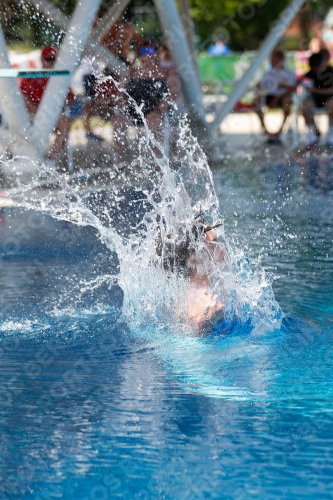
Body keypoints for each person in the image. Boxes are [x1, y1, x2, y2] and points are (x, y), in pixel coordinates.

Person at [156, 217, 229, 334]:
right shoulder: (209, 305)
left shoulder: (180, 295)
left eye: (218, 241)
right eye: (211, 245)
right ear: (193, 260)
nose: (221, 248)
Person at [112, 39, 171, 166]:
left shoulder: (165, 73)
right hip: (133, 111)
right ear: (140, 54)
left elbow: (173, 92)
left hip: (155, 111)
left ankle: (157, 162)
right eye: (144, 51)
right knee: (118, 121)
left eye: (151, 50)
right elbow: (119, 93)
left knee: (153, 122)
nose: (148, 54)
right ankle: (119, 161)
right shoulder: (132, 73)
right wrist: (123, 106)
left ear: (156, 53)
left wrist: (161, 107)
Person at [19, 46, 75, 159]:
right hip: (33, 113)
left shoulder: (60, 78)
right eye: (48, 59)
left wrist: (62, 106)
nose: (51, 62)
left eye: (54, 59)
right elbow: (22, 97)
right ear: (42, 59)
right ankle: (28, 155)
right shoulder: (32, 76)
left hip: (52, 114)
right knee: (21, 123)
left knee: (65, 122)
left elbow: (71, 98)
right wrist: (36, 110)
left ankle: (51, 156)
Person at [256, 50, 296, 144]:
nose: (271, 61)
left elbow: (291, 89)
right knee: (256, 102)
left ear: (280, 60)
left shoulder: (289, 73)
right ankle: (266, 131)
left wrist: (277, 98)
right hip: (270, 96)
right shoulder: (269, 73)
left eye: (273, 59)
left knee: (287, 103)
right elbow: (259, 85)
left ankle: (279, 132)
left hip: (282, 97)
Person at [300, 50, 333, 148]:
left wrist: (314, 90)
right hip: (314, 99)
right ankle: (314, 133)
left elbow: (332, 90)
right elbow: (298, 82)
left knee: (331, 106)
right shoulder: (312, 71)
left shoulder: (330, 71)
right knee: (305, 106)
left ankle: (331, 135)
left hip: (328, 98)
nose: (316, 70)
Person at [82, 67, 121, 142]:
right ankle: (88, 133)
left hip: (112, 108)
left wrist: (107, 100)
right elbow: (97, 97)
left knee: (118, 114)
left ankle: (117, 140)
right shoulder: (102, 82)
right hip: (103, 107)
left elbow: (118, 98)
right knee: (86, 109)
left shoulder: (117, 81)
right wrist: (102, 101)